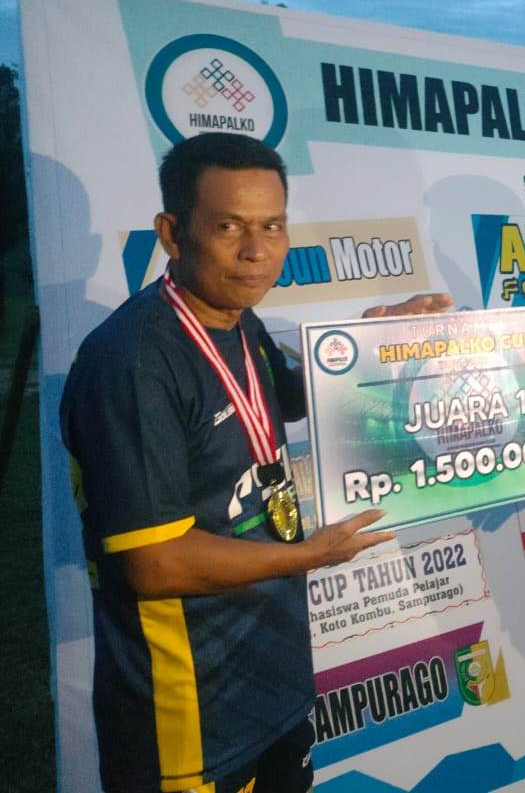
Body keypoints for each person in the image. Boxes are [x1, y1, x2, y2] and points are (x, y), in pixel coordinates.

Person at [61, 133, 450, 793]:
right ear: (172, 233)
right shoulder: (133, 363)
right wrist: (309, 555)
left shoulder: (238, 318)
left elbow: (287, 397)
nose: (256, 250)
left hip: (272, 674)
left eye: (272, 226)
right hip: (190, 713)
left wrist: (373, 345)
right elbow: (155, 562)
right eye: (228, 227)